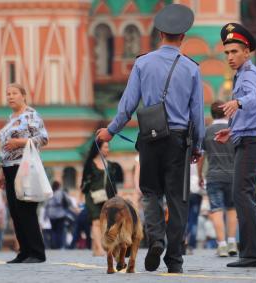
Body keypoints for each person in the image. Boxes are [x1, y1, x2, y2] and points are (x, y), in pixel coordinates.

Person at [96, 3, 204, 273]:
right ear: (182, 37)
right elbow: (197, 114)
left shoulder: (143, 63)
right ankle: (175, 259)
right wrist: (198, 145)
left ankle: (156, 239)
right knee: (178, 200)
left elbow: (128, 104)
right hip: (179, 141)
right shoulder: (192, 69)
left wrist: (110, 129)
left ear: (159, 35)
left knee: (151, 194)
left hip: (150, 138)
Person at [215, 23, 256, 267]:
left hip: (250, 142)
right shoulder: (245, 74)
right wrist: (232, 129)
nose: (230, 57)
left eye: (235, 51)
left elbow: (253, 98)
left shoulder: (248, 74)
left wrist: (237, 103)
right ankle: (252, 252)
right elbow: (253, 106)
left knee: (241, 194)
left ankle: (252, 254)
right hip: (246, 137)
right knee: (245, 195)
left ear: (247, 51)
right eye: (226, 53)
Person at [0, 83, 48, 264]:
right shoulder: (11, 117)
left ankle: (37, 252)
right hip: (9, 167)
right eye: (8, 94)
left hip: (24, 166)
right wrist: (2, 171)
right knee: (15, 211)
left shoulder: (31, 115)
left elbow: (43, 138)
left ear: (23, 96)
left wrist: (19, 142)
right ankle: (24, 251)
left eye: (14, 93)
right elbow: (4, 145)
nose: (10, 97)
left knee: (26, 209)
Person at [198, 100, 238, 257]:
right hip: (233, 174)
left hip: (214, 175)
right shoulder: (233, 130)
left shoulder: (207, 132)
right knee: (232, 208)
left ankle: (221, 245)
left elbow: (201, 156)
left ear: (212, 114)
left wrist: (200, 175)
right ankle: (232, 242)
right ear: (227, 112)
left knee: (216, 209)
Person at [80, 140, 119, 256]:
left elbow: (113, 184)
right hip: (92, 197)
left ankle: (96, 248)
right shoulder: (90, 164)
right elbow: (84, 182)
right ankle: (101, 248)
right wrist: (80, 196)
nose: (108, 149)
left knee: (104, 223)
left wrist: (116, 197)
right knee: (96, 222)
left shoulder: (111, 165)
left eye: (108, 147)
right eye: (106, 147)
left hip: (107, 198)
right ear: (99, 149)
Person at [45, 181, 71, 249]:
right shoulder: (61, 192)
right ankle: (59, 245)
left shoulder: (50, 193)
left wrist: (45, 216)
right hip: (60, 214)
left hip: (51, 214)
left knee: (53, 230)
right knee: (60, 231)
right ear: (59, 186)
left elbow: (46, 205)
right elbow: (68, 201)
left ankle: (53, 245)